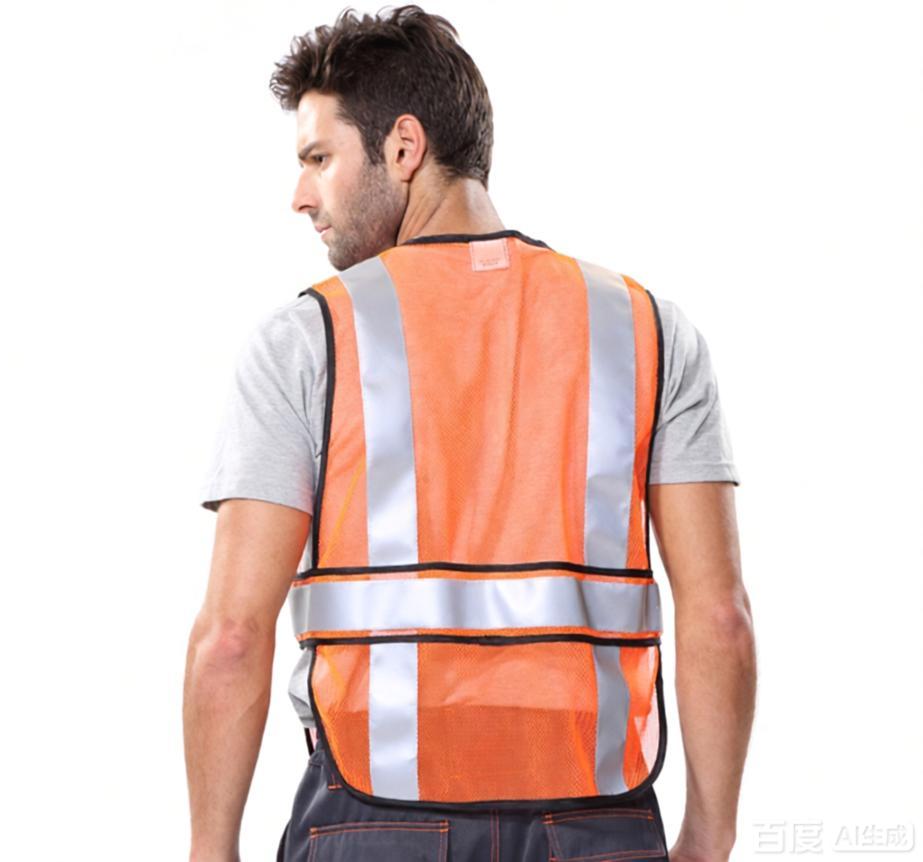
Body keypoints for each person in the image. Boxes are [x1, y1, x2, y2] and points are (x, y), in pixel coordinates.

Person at [183, 6, 756, 862]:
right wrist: (707, 838)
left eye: (318, 158)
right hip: (598, 822)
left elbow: (231, 637)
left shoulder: (310, 338)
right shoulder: (643, 329)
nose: (300, 195)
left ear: (403, 147)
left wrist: (208, 847)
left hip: (374, 822)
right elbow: (719, 618)